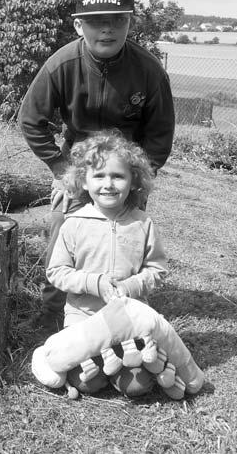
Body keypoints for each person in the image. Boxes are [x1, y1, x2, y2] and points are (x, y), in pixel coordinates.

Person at [18, 0, 175, 332]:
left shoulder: (149, 72)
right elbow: (30, 119)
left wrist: (138, 178)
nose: (107, 30)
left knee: (127, 236)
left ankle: (125, 311)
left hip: (128, 165)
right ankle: (52, 310)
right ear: (78, 24)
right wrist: (62, 170)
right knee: (63, 230)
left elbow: (160, 134)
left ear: (130, 22)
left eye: (117, 19)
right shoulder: (61, 65)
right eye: (96, 21)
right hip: (78, 164)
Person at [46, 132, 168, 396]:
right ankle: (98, 367)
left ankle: (124, 365)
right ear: (84, 181)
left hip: (128, 320)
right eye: (99, 176)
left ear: (133, 180)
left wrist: (131, 286)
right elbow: (56, 272)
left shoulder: (142, 224)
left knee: (137, 386)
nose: (108, 184)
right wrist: (94, 283)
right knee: (87, 382)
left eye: (118, 176)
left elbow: (157, 270)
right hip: (84, 320)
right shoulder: (74, 223)